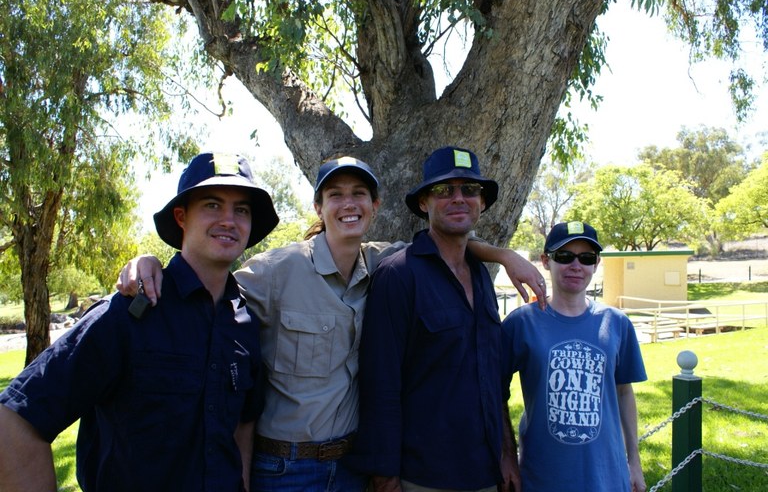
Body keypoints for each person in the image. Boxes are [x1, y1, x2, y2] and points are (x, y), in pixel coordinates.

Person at [116, 155, 545, 492]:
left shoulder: (384, 264)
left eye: (359, 193)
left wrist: (506, 256)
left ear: (374, 206)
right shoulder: (276, 271)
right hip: (286, 469)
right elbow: (205, 288)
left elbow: (449, 242)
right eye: (335, 194)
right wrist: (150, 262)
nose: (349, 204)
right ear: (319, 206)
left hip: (352, 469)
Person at [0, 153, 279, 492]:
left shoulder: (245, 323)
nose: (228, 220)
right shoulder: (129, 313)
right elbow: (15, 421)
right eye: (211, 205)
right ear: (181, 217)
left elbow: (241, 429)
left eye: (241, 210)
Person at [346, 146, 522, 492]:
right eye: (444, 190)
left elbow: (493, 379)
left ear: (482, 203)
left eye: (470, 190)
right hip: (422, 477)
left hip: (485, 473)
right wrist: (385, 476)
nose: (459, 198)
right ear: (424, 202)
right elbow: (380, 383)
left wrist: (506, 453)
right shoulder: (399, 275)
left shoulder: (482, 277)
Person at [500, 221, 647, 492]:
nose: (576, 266)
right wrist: (507, 455)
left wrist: (634, 462)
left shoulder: (616, 324)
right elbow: (494, 392)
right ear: (546, 261)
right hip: (542, 476)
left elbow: (624, 392)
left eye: (586, 258)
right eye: (565, 257)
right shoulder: (521, 323)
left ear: (596, 263)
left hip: (607, 477)